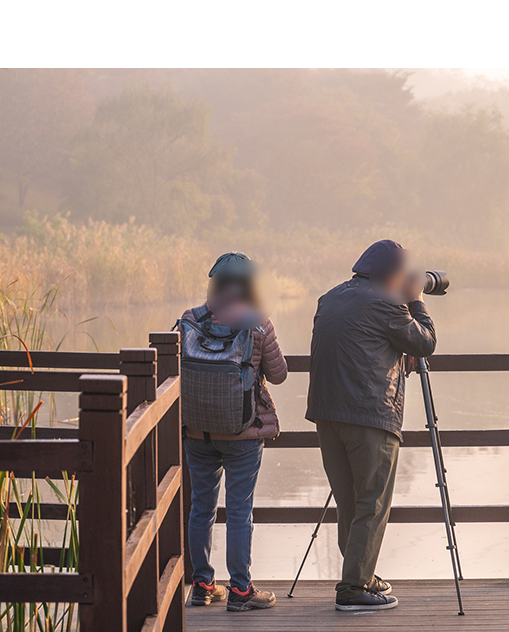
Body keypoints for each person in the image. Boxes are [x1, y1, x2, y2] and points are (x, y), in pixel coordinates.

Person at [306, 240, 436, 611]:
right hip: (369, 416)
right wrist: (417, 301)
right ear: (394, 274)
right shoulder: (387, 302)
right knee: (373, 502)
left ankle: (360, 573)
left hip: (327, 416)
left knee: (349, 501)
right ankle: (352, 588)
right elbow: (425, 343)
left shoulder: (329, 298)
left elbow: (362, 343)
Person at [180, 252, 288, 611]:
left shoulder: (189, 321)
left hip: (197, 431)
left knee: (200, 508)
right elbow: (279, 373)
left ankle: (202, 585)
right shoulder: (258, 324)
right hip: (243, 433)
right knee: (240, 511)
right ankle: (240, 591)